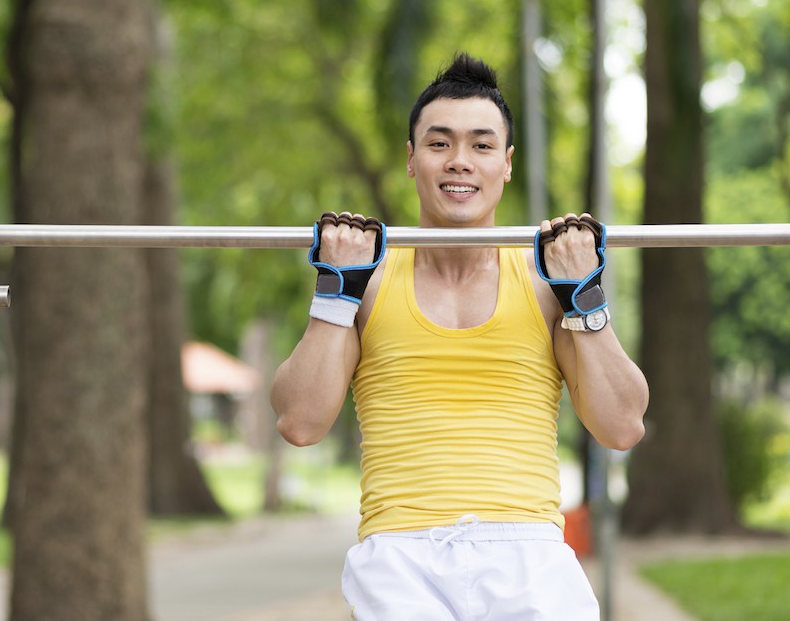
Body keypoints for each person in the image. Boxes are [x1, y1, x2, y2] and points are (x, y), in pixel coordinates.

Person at [270, 53, 649, 620]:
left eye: (481, 145)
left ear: (507, 163)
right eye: (440, 143)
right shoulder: (366, 284)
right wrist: (335, 291)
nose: (460, 162)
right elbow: (300, 422)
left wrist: (583, 296)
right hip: (399, 555)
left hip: (530, 554)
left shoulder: (547, 286)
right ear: (411, 158)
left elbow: (622, 426)